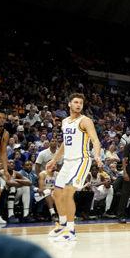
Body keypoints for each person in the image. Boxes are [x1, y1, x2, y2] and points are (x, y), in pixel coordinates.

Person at [46, 93, 103, 241]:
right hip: (67, 162)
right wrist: (54, 160)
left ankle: (70, 231)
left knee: (67, 193)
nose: (78, 105)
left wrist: (97, 156)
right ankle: (62, 224)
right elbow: (65, 144)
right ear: (69, 104)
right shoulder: (65, 121)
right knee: (56, 194)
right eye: (76, 102)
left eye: (81, 103)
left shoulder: (85, 121)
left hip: (81, 161)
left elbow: (96, 141)